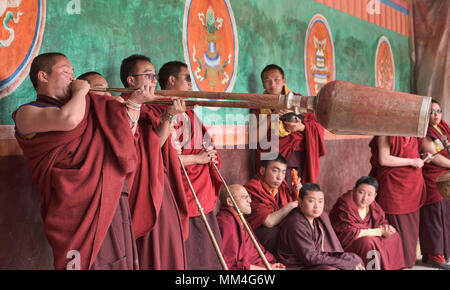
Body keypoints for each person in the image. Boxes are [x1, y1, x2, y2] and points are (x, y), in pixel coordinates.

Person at [12, 52, 156, 269]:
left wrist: (134, 104)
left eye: (73, 72)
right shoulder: (27, 113)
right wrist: (81, 92)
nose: (72, 77)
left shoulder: (89, 110)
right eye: (65, 71)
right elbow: (68, 120)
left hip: (109, 200)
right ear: (43, 76)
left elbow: (124, 141)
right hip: (73, 211)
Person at [119, 54, 190, 270]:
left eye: (154, 76)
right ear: (131, 80)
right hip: (141, 186)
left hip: (158, 180)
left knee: (169, 242)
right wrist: (168, 116)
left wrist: (168, 115)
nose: (153, 81)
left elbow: (156, 145)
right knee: (151, 246)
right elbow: (146, 148)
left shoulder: (151, 107)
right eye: (148, 76)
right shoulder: (121, 105)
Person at [151, 61, 224, 270]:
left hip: (201, 190)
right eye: (187, 79)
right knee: (192, 251)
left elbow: (203, 143)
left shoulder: (188, 111)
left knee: (210, 250)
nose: (191, 85)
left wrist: (209, 154)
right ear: (172, 80)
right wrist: (198, 159)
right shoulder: (157, 109)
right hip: (182, 191)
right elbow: (159, 156)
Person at [252, 64, 326, 186]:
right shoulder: (258, 105)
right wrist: (273, 115)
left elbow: (317, 126)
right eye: (267, 81)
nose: (273, 84)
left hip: (296, 157)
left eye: (276, 80)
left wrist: (301, 127)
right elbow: (255, 138)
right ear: (263, 84)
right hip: (270, 158)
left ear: (284, 81)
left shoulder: (299, 100)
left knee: (295, 190)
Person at [369, 134, 429, 268]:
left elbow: (417, 152)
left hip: (412, 187)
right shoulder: (386, 131)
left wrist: (421, 157)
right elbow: (384, 159)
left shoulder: (413, 132)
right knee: (393, 225)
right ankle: (394, 263)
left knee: (410, 229)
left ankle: (407, 262)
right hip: (393, 186)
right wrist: (412, 161)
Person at [276, 183, 365, 270]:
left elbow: (329, 250)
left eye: (320, 201)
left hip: (316, 259)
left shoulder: (321, 217)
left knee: (355, 259)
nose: (316, 206)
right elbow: (311, 258)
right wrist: (344, 264)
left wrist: (348, 262)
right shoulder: (295, 224)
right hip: (298, 265)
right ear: (300, 201)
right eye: (311, 201)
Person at [329, 176, 405, 270]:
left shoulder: (372, 205)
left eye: (369, 195)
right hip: (347, 244)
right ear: (354, 190)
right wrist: (379, 232)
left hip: (369, 238)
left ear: (375, 196)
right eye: (361, 192)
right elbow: (349, 232)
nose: (365, 198)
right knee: (367, 241)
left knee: (394, 236)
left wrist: (387, 228)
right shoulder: (345, 204)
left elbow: (381, 222)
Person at [216, 184, 286, 270]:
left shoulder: (240, 219)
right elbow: (231, 264)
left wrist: (270, 264)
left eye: (249, 196)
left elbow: (256, 249)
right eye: (244, 197)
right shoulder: (226, 222)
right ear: (230, 202)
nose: (249, 200)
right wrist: (267, 269)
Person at [244, 154, 300, 254]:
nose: (280, 177)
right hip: (258, 235)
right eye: (275, 171)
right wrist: (291, 205)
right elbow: (268, 221)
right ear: (262, 171)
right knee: (276, 233)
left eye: (283, 173)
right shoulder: (253, 188)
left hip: (277, 229)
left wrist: (296, 194)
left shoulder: (282, 186)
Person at [420, 99, 450, 269]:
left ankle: (444, 252)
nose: (436, 115)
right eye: (431, 112)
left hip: (445, 175)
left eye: (438, 111)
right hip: (433, 178)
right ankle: (433, 253)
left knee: (445, 212)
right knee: (434, 213)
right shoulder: (424, 130)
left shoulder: (442, 127)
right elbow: (433, 154)